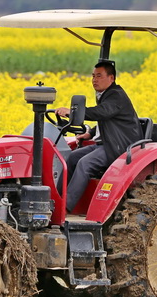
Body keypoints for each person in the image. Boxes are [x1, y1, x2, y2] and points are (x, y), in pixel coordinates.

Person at [55, 60, 142, 212]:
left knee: (84, 164)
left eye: (99, 76)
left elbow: (101, 112)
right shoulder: (106, 94)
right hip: (106, 143)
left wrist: (73, 112)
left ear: (111, 78)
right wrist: (90, 133)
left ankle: (65, 209)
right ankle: (56, 198)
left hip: (118, 147)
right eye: (93, 76)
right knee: (71, 158)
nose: (94, 79)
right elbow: (108, 120)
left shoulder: (116, 95)